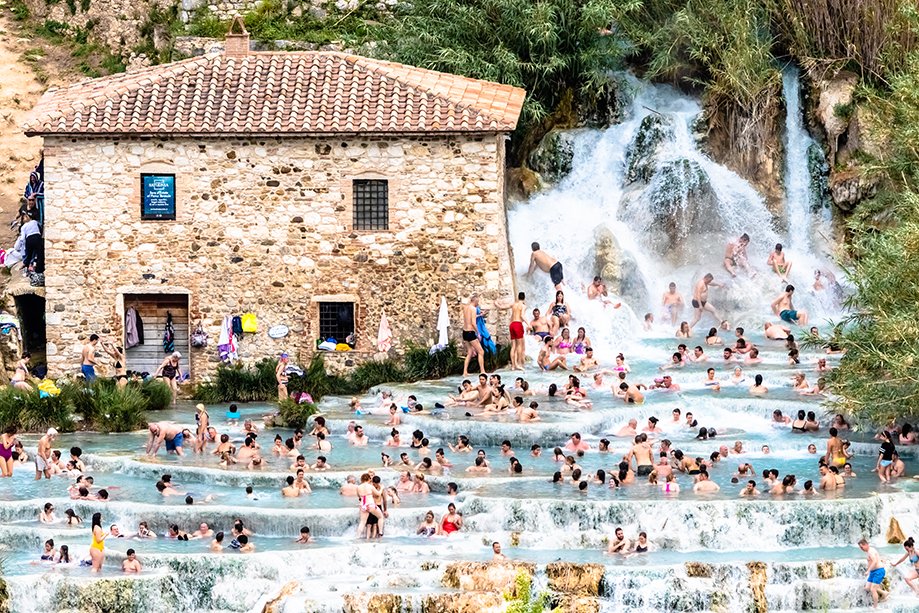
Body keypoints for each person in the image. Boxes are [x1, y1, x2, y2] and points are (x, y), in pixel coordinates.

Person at [858, 538, 888, 607]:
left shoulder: (871, 551)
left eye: (861, 547)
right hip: (873, 572)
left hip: (878, 571)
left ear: (866, 545)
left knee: (872, 589)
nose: (861, 549)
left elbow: (874, 561)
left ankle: (875, 607)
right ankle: (884, 593)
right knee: (867, 588)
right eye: (860, 547)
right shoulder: (869, 551)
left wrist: (868, 571)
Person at [461, 294, 486, 377]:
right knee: (481, 351)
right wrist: (478, 333)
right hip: (470, 333)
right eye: (478, 302)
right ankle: (482, 371)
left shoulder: (465, 307)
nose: (478, 303)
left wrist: (479, 315)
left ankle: (465, 372)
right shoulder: (474, 309)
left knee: (470, 352)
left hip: (465, 332)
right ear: (475, 301)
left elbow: (470, 318)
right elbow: (473, 323)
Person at [508, 292, 527, 370]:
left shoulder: (514, 305)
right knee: (519, 345)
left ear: (518, 297)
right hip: (518, 324)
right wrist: (528, 324)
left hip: (512, 324)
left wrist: (497, 304)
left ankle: (513, 365)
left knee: (513, 346)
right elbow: (522, 316)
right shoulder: (523, 306)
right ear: (524, 298)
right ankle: (519, 363)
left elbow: (504, 307)